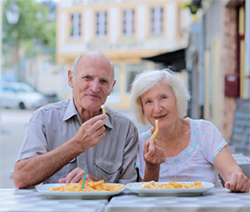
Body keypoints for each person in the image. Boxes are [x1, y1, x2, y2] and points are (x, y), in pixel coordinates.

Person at [14, 52, 138, 189]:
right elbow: (21, 178)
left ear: (111, 87)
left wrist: (97, 184)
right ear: (70, 79)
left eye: (103, 81)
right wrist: (76, 145)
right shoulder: (44, 118)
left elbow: (130, 190)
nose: (95, 87)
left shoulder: (125, 128)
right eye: (87, 78)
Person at [130, 68, 250, 192]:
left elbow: (231, 172)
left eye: (163, 97)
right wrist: (152, 167)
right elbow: (144, 195)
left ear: (177, 98)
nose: (157, 108)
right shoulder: (140, 144)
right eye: (148, 101)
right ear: (142, 109)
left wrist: (237, 179)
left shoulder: (204, 130)